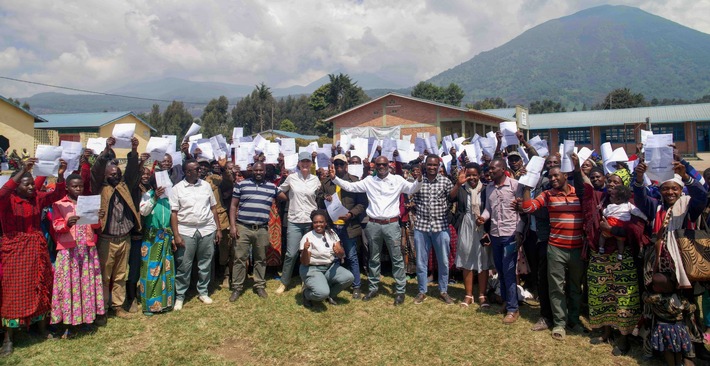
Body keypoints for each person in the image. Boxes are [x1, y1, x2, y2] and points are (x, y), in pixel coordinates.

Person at [330, 155, 422, 306]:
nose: (381, 167)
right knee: (373, 257)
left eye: (384, 164)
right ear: (375, 166)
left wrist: (419, 179)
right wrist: (335, 179)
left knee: (396, 258)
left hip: (391, 224)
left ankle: (400, 290)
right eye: (378, 165)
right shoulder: (369, 181)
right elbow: (350, 187)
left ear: (388, 165)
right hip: (373, 225)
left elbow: (412, 189)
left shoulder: (397, 179)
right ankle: (373, 287)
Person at [0, 158, 67, 356]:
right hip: (14, 251)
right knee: (14, 292)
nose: (31, 187)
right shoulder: (7, 201)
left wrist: (61, 174)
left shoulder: (35, 198)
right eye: (26, 183)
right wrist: (22, 170)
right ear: (16, 185)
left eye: (32, 183)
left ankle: (42, 328)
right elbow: (3, 192)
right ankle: (8, 338)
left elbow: (58, 194)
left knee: (42, 287)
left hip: (37, 249)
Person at [520, 164, 585, 340]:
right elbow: (527, 208)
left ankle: (574, 320)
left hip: (577, 249)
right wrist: (527, 185)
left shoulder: (578, 193)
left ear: (565, 174)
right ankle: (559, 323)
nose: (553, 179)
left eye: (556, 175)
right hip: (555, 248)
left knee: (574, 288)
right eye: (550, 177)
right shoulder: (548, 195)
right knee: (556, 288)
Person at [90, 137, 143, 320]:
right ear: (105, 175)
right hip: (107, 239)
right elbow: (95, 171)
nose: (116, 176)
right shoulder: (99, 187)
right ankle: (102, 308)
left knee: (120, 274)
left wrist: (134, 150)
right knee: (104, 276)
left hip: (125, 238)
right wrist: (106, 150)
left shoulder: (124, 185)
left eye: (117, 173)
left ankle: (118, 306)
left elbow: (132, 171)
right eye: (112, 174)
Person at [49, 174, 105, 335]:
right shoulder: (60, 204)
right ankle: (68, 322)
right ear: (67, 187)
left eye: (80, 186)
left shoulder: (88, 203)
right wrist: (67, 223)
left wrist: (97, 217)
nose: (78, 189)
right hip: (68, 251)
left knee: (85, 284)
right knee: (69, 286)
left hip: (86, 249)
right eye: (74, 186)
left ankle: (86, 319)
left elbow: (94, 225)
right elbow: (56, 226)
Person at [170, 159, 222, 310]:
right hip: (186, 230)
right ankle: (180, 295)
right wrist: (176, 235)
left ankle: (203, 292)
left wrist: (218, 229)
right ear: (187, 172)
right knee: (184, 264)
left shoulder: (206, 186)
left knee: (205, 263)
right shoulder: (177, 189)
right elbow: (174, 213)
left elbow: (213, 208)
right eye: (197, 169)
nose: (200, 171)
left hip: (206, 229)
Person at [476, 158, 523, 324]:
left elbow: (522, 211)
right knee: (500, 271)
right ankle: (506, 300)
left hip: (510, 235)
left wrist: (519, 232)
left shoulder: (516, 186)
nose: (490, 171)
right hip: (495, 235)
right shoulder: (489, 188)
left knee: (509, 271)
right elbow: (489, 209)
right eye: (489, 169)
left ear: (503, 169)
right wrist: (483, 218)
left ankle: (513, 309)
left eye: (493, 169)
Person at [411, 155, 461, 305]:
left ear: (439, 166)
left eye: (435, 165)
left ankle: (443, 290)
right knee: (421, 262)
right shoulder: (419, 181)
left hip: (441, 226)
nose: (432, 167)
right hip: (422, 227)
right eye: (429, 165)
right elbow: (410, 193)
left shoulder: (445, 181)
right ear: (425, 166)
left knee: (444, 261)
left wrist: (457, 184)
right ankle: (422, 291)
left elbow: (451, 198)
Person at [228, 162, 278, 301]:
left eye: (261, 170)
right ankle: (237, 287)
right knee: (239, 258)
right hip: (243, 227)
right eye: (255, 170)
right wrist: (233, 226)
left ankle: (259, 285)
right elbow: (233, 206)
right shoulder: (242, 184)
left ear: (264, 171)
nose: (258, 172)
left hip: (261, 228)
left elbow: (284, 197)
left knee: (261, 259)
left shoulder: (272, 187)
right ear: (251, 171)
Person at [321, 154, 367, 299]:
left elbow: (362, 203)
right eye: (336, 165)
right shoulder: (326, 182)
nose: (339, 167)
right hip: (332, 226)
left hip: (349, 226)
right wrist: (324, 197)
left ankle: (356, 286)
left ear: (346, 166)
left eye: (342, 164)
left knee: (352, 256)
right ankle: (333, 284)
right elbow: (318, 196)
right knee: (333, 256)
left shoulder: (354, 181)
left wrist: (351, 214)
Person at [275, 151, 322, 294]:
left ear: (311, 164)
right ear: (299, 164)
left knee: (308, 253)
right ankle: (284, 282)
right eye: (303, 162)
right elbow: (278, 191)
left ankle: (306, 281)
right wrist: (289, 199)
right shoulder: (292, 178)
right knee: (291, 253)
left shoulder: (316, 180)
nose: (305, 164)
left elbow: (319, 196)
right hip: (295, 220)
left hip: (310, 221)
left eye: (308, 162)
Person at [453, 162, 493, 308]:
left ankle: (482, 294)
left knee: (483, 259)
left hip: (482, 225)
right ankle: (468, 294)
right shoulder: (462, 189)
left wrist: (485, 222)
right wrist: (458, 184)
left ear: (480, 175)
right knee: (467, 259)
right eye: (469, 175)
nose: (471, 177)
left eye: (474, 175)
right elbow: (450, 199)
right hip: (466, 225)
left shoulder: (486, 189)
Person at [299, 210, 354, 308]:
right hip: (312, 269)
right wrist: (305, 250)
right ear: (312, 223)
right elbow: (305, 262)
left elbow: (341, 255)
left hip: (329, 267)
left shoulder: (331, 233)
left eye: (321, 222)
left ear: (325, 223)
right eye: (315, 222)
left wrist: (339, 251)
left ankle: (330, 295)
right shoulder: (308, 237)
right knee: (321, 293)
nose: (318, 224)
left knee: (349, 277)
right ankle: (306, 294)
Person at [138, 180, 175, 315]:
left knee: (166, 269)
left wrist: (172, 237)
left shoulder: (169, 197)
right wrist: (155, 198)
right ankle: (150, 305)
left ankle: (165, 303)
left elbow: (172, 216)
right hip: (152, 238)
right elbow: (143, 211)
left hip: (165, 236)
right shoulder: (148, 195)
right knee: (151, 270)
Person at [644, 273, 694, 366]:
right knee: (678, 348)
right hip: (678, 327)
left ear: (657, 288)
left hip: (664, 327)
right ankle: (678, 364)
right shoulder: (679, 297)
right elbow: (689, 307)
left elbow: (645, 299)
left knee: (668, 349)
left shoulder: (656, 298)